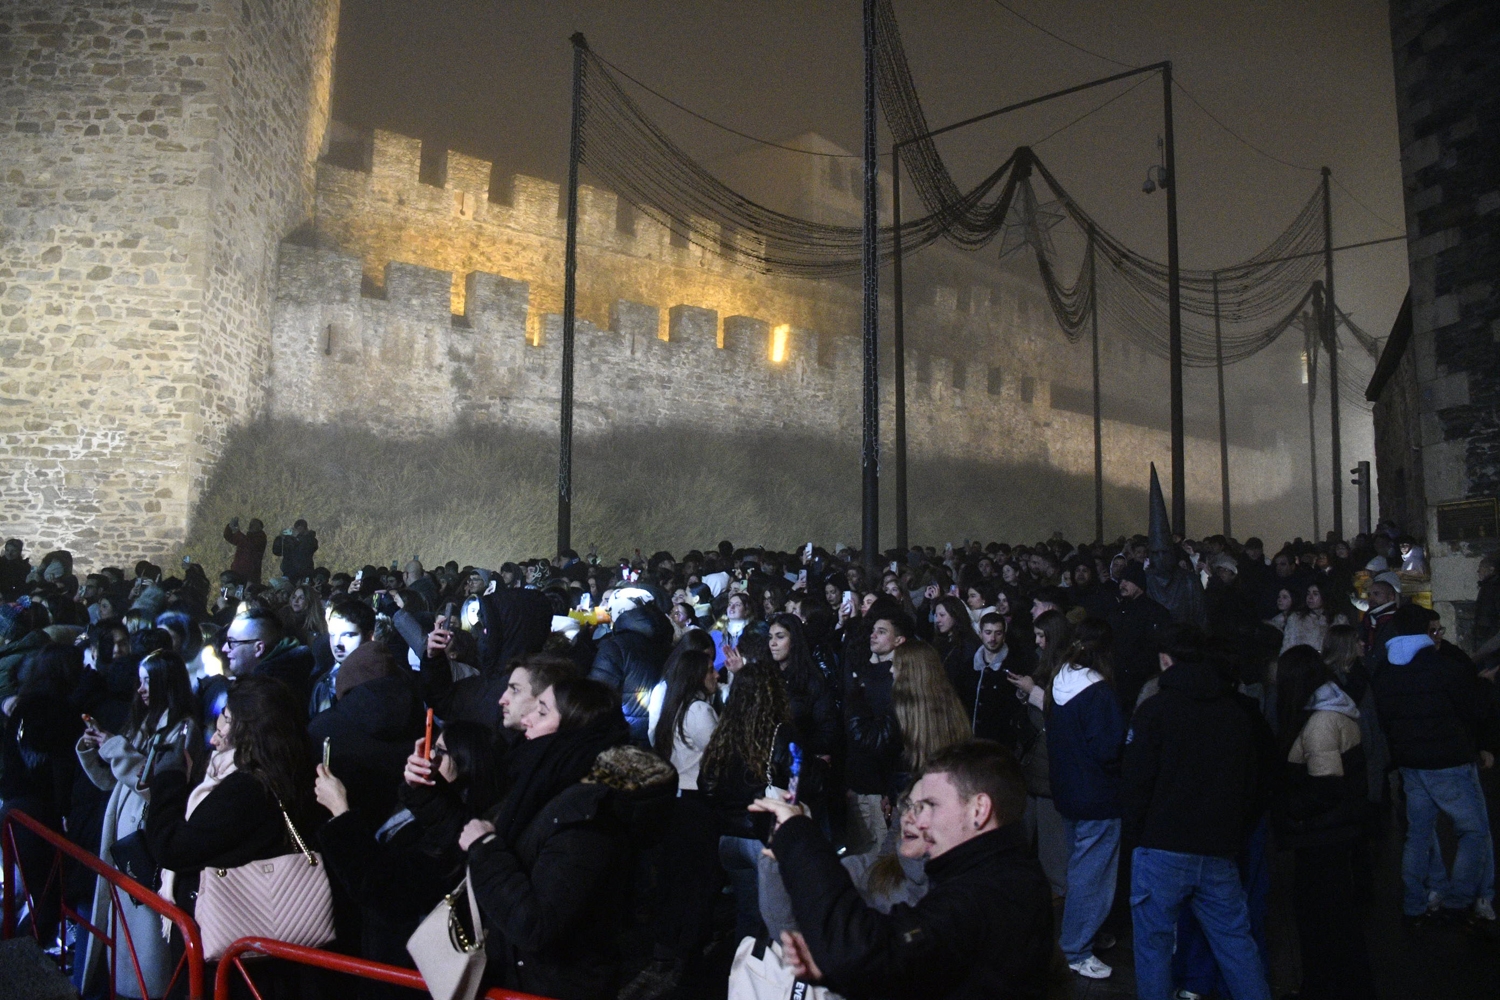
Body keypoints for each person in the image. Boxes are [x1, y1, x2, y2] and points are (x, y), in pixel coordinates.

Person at [753, 739, 1053, 1000]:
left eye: (930, 805)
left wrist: (798, 834)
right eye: (912, 806)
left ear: (978, 810)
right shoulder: (995, 874)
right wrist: (834, 969)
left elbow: (874, 951)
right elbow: (918, 976)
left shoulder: (986, 893)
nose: (917, 821)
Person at [463, 676, 671, 1000]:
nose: (528, 718)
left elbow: (537, 925)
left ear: (575, 729)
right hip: (523, 976)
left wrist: (485, 849)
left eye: (542, 711)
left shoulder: (587, 813)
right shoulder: (542, 780)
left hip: (552, 986)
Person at [1122, 624, 1270, 1000]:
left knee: (1154, 949)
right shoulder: (1234, 714)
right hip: (1218, 849)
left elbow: (1136, 782)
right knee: (1237, 945)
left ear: (1165, 661)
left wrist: (1139, 835)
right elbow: (1251, 785)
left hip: (1162, 847)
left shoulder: (1155, 710)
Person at [315, 720, 504, 985]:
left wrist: (340, 810)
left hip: (410, 967)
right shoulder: (422, 807)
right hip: (387, 955)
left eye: (439, 751)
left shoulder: (461, 831)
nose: (429, 758)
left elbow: (383, 889)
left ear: (466, 763)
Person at [76, 650, 200, 999]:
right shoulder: (143, 723)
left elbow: (158, 786)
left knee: (146, 940)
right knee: (125, 936)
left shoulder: (183, 728)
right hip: (124, 833)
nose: (142, 688)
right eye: (141, 680)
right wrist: (94, 749)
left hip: (147, 840)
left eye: (149, 681)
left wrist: (116, 748)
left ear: (166, 682)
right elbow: (111, 783)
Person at [148, 675, 318, 932]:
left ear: (250, 731)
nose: (218, 727)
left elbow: (172, 848)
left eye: (227, 718)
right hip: (256, 929)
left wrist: (169, 780)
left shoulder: (247, 790)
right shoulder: (285, 771)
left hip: (232, 937)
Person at [1371, 604, 1496, 923]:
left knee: (1419, 833)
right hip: (1450, 761)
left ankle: (1415, 902)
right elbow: (1473, 709)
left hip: (1411, 764)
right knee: (1473, 831)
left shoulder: (1386, 670)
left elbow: (1386, 717)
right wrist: (1484, 684)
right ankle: (1459, 900)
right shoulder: (1443, 667)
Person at [1273, 645, 1376, 1000]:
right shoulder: (1338, 709)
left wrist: (1289, 812)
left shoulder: (1320, 722)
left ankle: (1323, 988)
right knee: (1339, 921)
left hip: (1321, 837)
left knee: (1321, 921)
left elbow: (1325, 787)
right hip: (1338, 832)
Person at [1041, 618, 1126, 980]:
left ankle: (1086, 933)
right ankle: (1075, 949)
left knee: (1080, 869)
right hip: (1099, 797)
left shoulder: (1058, 681)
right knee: (1092, 876)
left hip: (1068, 793)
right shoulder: (1098, 692)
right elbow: (1108, 749)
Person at [701, 655, 801, 941]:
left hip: (728, 838)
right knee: (775, 920)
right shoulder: (781, 733)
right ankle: (766, 980)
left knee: (747, 915)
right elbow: (798, 783)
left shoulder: (725, 730)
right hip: (762, 836)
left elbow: (706, 783)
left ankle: (741, 977)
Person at [308, 640, 424, 825]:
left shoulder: (322, 729)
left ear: (345, 680)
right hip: (405, 829)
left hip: (345, 833)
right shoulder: (420, 719)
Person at [590, 589, 673, 744]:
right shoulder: (668, 641)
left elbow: (596, 698)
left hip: (626, 739)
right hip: (664, 736)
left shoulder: (614, 647)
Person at [1108, 562, 1172, 711]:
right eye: (1121, 580)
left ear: (1139, 583)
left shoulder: (1155, 612)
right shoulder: (1117, 611)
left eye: (1128, 581)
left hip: (1143, 678)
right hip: (1119, 678)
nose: (1122, 584)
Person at [309, 594, 375, 715]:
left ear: (369, 637)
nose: (337, 644)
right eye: (333, 634)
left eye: (348, 635)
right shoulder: (325, 683)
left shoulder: (386, 677)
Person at [222, 518, 267, 586]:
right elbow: (229, 537)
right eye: (251, 524)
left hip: (250, 575)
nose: (251, 525)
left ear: (260, 527)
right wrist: (230, 527)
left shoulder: (260, 538)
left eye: (254, 524)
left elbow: (249, 545)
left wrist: (237, 531)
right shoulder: (246, 538)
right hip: (238, 572)